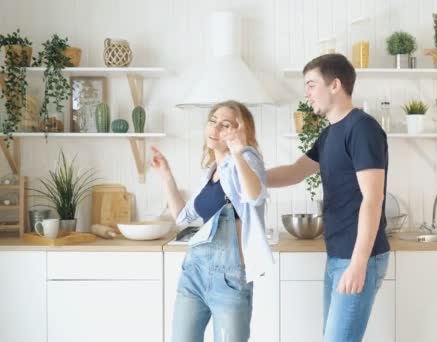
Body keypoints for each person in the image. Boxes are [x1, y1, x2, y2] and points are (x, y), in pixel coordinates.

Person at [267, 53, 390, 342]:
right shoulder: (329, 134)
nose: (306, 93)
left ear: (334, 85)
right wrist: (247, 175)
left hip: (359, 255)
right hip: (339, 254)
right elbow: (295, 172)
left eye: (311, 84)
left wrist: (358, 263)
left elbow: (373, 199)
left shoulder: (362, 128)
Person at [151, 100, 273, 342]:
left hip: (229, 277)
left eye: (225, 124)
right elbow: (182, 217)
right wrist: (166, 175)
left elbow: (255, 195)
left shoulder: (247, 158)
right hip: (194, 271)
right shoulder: (210, 171)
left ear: (240, 130)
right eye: (213, 120)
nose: (215, 128)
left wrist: (238, 152)